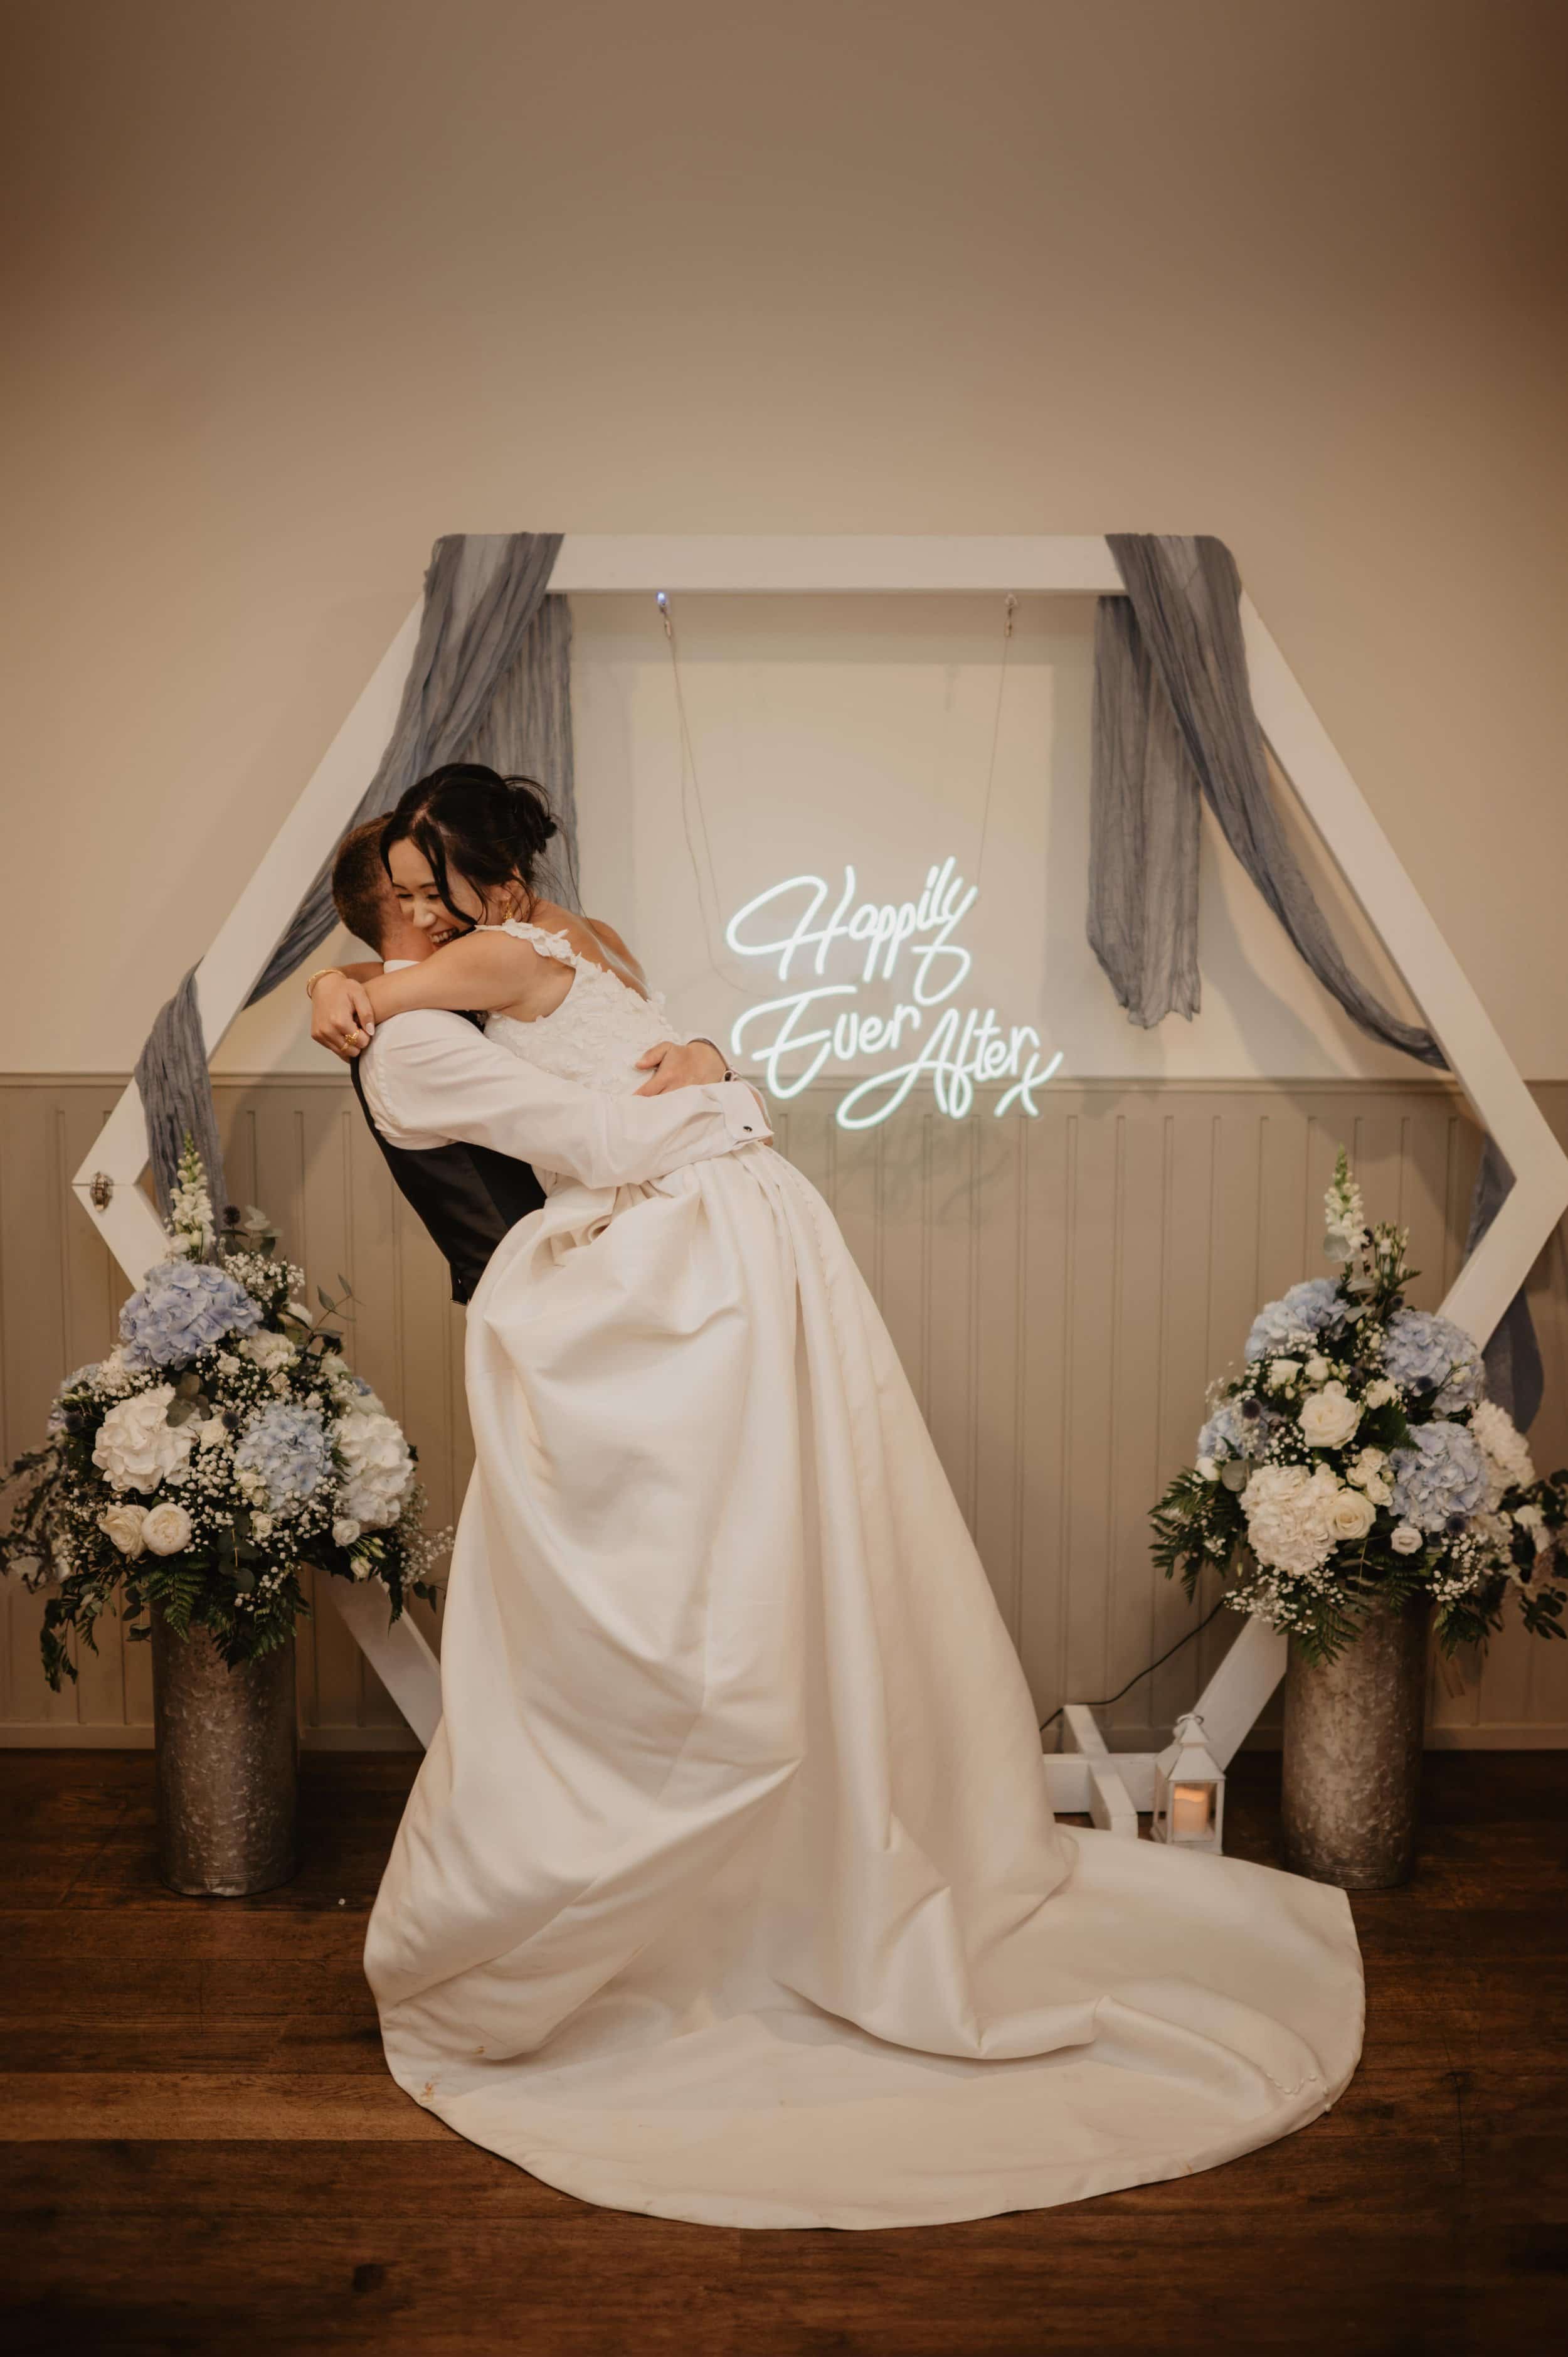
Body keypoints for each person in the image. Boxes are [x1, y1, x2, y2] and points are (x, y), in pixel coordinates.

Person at [328, 764, 1364, 2233]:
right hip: (753, 1226)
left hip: (687, 1244)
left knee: (708, 1568)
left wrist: (359, 985)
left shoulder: (492, 957)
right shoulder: (597, 936)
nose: (419, 918)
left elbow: (414, 1014)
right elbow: (615, 1053)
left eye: (431, 888)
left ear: (485, 877)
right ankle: (791, 1835)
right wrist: (718, 1077)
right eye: (400, 902)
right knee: (790, 1531)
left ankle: (724, 1851)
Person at [313, 816, 741, 1305]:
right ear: (406, 900)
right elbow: (602, 1141)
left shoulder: (469, 984)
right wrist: (737, 1098)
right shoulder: (414, 1034)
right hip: (550, 1297)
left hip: (619, 1254)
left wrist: (325, 979)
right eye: (432, 888)